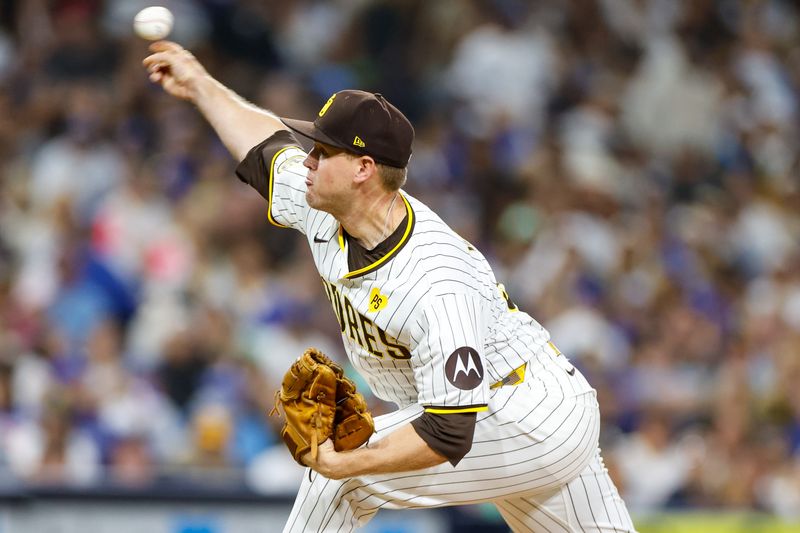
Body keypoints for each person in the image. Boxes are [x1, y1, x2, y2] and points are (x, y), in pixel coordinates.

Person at [143, 41, 637, 533]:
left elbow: (449, 431)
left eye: (323, 150)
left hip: (524, 413)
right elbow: (264, 147)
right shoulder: (327, 203)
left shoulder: (436, 281)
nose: (308, 160)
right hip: (513, 411)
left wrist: (349, 466)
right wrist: (201, 86)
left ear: (364, 169)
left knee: (337, 481)